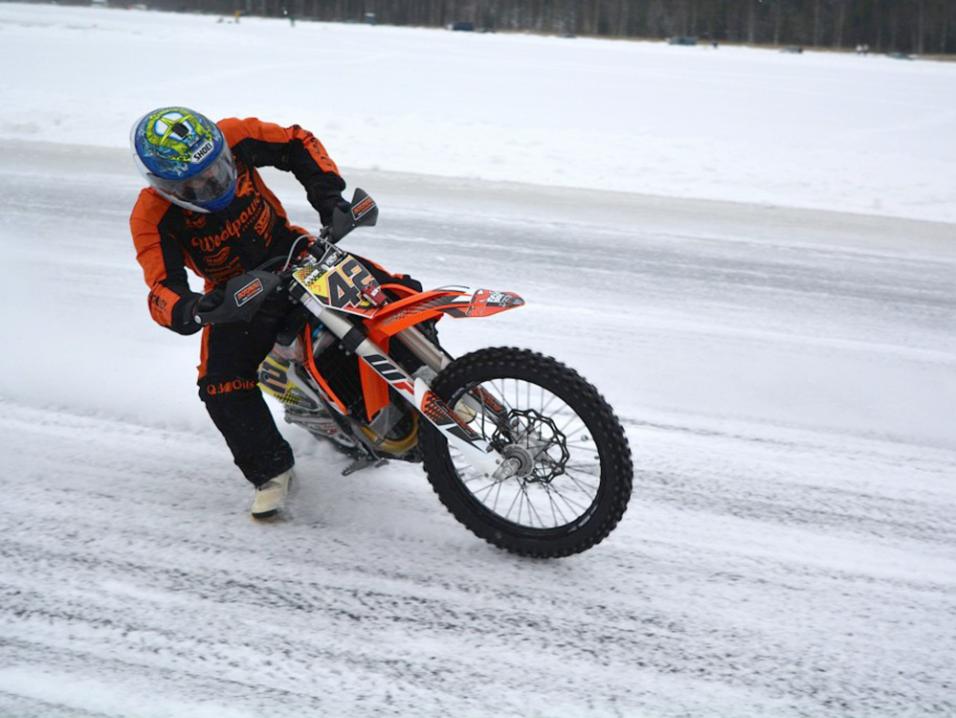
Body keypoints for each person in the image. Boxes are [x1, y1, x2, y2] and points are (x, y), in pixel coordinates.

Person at [129, 107, 351, 519]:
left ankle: (439, 377)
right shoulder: (150, 216)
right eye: (195, 182)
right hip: (236, 294)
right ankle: (272, 471)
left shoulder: (236, 134)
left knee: (393, 287)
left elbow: (298, 141)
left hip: (293, 251)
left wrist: (329, 196)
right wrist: (192, 307)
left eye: (217, 168)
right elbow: (161, 290)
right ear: (163, 186)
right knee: (218, 385)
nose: (213, 182)